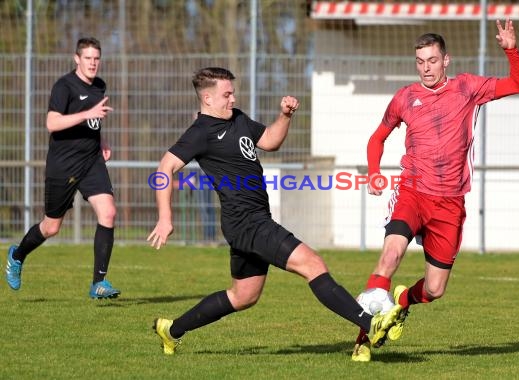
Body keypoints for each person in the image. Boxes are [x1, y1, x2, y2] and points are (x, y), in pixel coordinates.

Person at [147, 67, 394, 355]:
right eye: (226, 94)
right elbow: (165, 168)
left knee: (243, 296)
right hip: (247, 223)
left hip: (252, 221)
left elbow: (270, 141)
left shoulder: (237, 119)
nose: (232, 99)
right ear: (207, 98)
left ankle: (171, 329)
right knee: (313, 264)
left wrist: (285, 116)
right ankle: (370, 323)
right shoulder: (200, 132)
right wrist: (165, 218)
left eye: (233, 92)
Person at [351, 18, 519, 362]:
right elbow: (377, 137)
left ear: (445, 60)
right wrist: (374, 173)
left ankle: (401, 303)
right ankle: (362, 339)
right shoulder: (405, 97)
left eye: (432, 60)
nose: (426, 68)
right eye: (420, 62)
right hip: (413, 191)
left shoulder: (468, 88)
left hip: (450, 203)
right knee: (390, 256)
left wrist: (512, 50)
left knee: (434, 289)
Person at [5, 37, 120, 299]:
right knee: (51, 227)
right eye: (88, 58)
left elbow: (95, 120)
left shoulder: (99, 85)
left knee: (109, 212)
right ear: (76, 59)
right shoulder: (64, 86)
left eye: (96, 58)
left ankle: (98, 283)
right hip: (63, 165)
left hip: (91, 161)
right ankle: (17, 255)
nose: (93, 63)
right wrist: (85, 115)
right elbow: (52, 123)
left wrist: (102, 140)